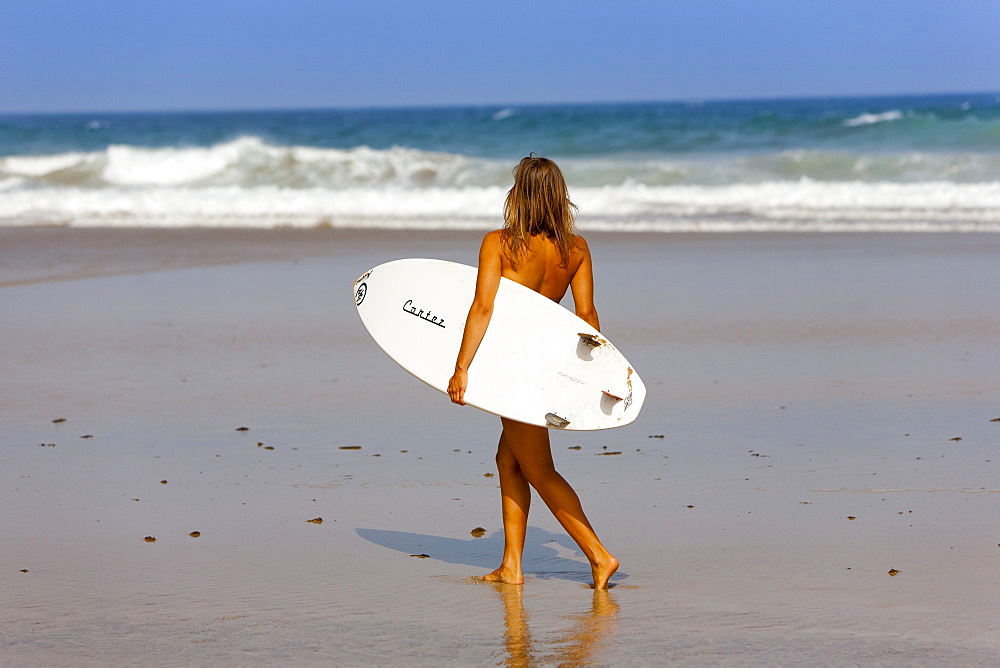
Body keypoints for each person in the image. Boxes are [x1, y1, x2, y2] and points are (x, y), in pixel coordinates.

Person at [447, 155, 619, 590]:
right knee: (509, 460)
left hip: (513, 369)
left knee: (539, 470)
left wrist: (461, 367)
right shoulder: (576, 249)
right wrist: (595, 375)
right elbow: (586, 318)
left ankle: (599, 556)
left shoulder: (499, 243)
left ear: (518, 195)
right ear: (559, 196)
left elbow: (483, 308)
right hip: (549, 367)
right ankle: (511, 566)